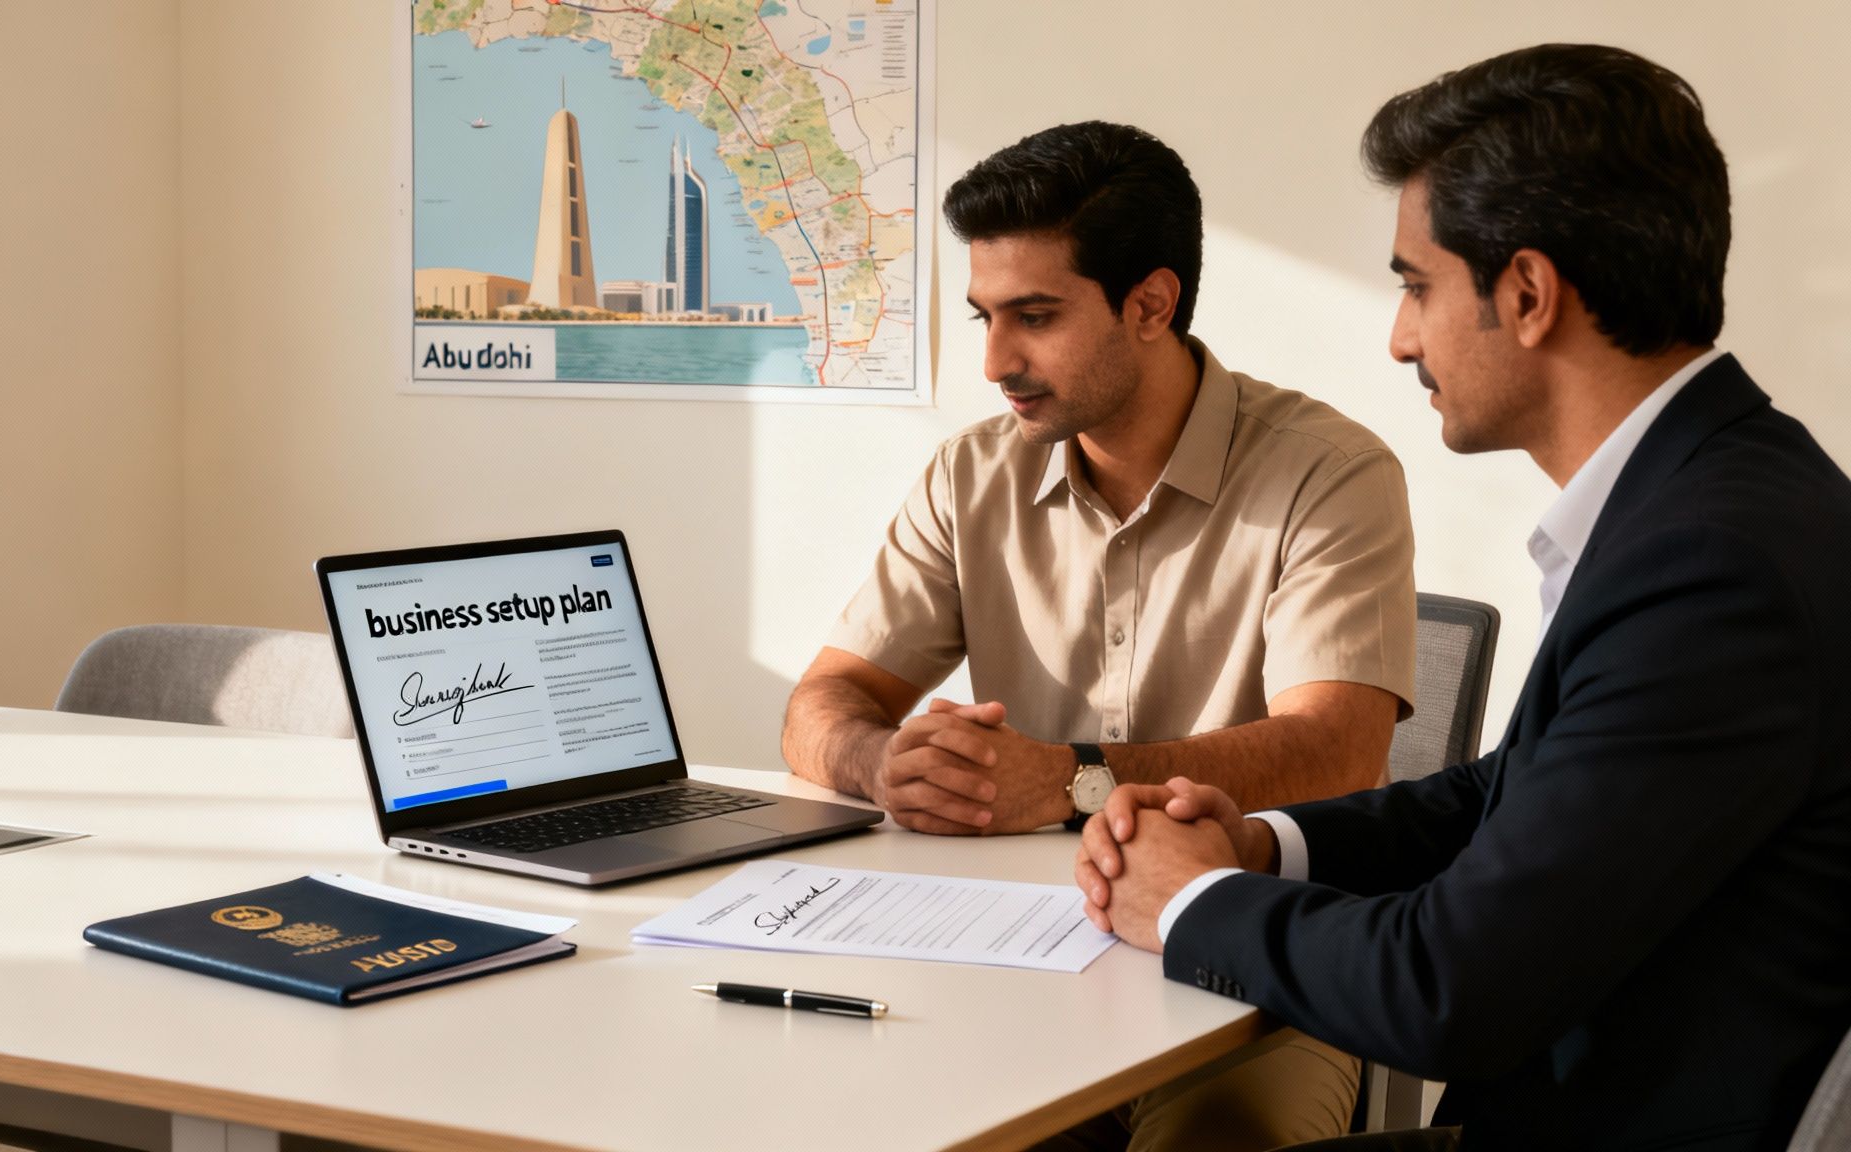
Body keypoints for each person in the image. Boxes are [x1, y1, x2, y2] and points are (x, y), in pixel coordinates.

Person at [1076, 44, 1851, 1152]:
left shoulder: (1711, 566)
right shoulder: (1712, 497)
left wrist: (1189, 901)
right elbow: (1509, 796)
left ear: (1527, 294)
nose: (1398, 337)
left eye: (1414, 286)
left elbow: (1449, 990)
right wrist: (1260, 844)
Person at [782, 121, 1417, 1149]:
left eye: (1033, 316)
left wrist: (1070, 783)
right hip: (1013, 953)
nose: (995, 360)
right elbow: (818, 705)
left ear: (1150, 305)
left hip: (1244, 962)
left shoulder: (1327, 474)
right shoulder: (968, 475)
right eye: (985, 316)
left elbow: (1336, 752)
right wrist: (881, 764)